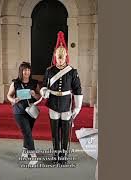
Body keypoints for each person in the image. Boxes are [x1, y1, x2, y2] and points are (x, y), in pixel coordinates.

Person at [40, 31, 83, 164]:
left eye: (62, 57)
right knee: (55, 132)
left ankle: (63, 155)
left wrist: (78, 107)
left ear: (66, 57)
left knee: (65, 132)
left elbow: (77, 89)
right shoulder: (49, 71)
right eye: (58, 58)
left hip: (66, 104)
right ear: (55, 57)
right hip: (53, 103)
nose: (60, 60)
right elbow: (43, 85)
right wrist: (44, 91)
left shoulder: (72, 72)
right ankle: (56, 154)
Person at [6, 61, 41, 165]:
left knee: (28, 132)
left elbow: (39, 97)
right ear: (21, 71)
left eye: (29, 70)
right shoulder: (15, 83)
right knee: (27, 133)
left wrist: (34, 95)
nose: (27, 72)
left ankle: (25, 149)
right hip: (19, 111)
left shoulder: (34, 83)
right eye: (25, 70)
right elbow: (8, 95)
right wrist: (13, 100)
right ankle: (33, 155)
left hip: (31, 111)